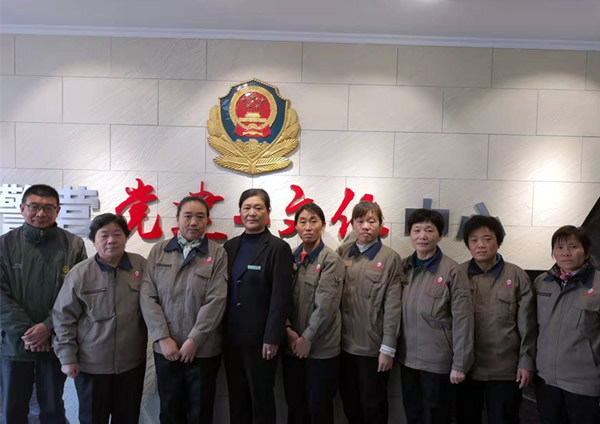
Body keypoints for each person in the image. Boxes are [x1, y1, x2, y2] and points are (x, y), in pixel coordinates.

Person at [0, 184, 87, 424]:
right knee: (11, 410)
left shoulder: (73, 245)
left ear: (58, 210)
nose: (41, 213)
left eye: (48, 208)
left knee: (52, 409)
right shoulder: (4, 245)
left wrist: (47, 327)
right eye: (34, 207)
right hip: (14, 344)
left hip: (55, 343)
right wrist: (30, 333)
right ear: (22, 208)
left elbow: (77, 294)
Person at [52, 213, 147, 424]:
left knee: (128, 419)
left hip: (131, 365)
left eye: (117, 234)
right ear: (94, 240)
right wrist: (67, 357)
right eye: (104, 235)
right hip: (91, 366)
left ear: (126, 237)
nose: (111, 240)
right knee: (93, 419)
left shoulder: (141, 266)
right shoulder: (80, 273)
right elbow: (63, 317)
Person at [140, 196, 228, 423]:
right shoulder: (159, 251)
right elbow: (148, 296)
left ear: (207, 220)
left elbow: (217, 299)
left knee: (201, 412)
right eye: (187, 216)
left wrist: (194, 340)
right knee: (170, 410)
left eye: (200, 217)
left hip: (204, 350)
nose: (193, 222)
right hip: (166, 349)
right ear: (178, 219)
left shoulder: (217, 254)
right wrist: (162, 337)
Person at [455, 215, 536, 424]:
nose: (480, 245)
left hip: (505, 370)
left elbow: (528, 325)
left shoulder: (516, 275)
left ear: (498, 242)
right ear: (468, 244)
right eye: (474, 240)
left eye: (487, 239)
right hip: (466, 368)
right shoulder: (457, 274)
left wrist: (526, 362)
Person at [223, 188, 294, 424]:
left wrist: (272, 337)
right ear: (240, 212)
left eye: (258, 208)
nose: (251, 213)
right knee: (237, 399)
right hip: (232, 338)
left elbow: (280, 297)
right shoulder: (230, 246)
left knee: (261, 400)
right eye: (247, 208)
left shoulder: (278, 248)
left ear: (268, 212)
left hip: (262, 341)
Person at [398, 209, 473, 424]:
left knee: (436, 416)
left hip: (437, 363)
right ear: (411, 234)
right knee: (413, 414)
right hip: (407, 359)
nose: (422, 236)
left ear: (439, 235)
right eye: (417, 230)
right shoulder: (403, 267)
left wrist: (460, 364)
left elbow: (463, 321)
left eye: (429, 230)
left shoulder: (452, 271)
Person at [336, 200, 403, 424]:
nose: (365, 226)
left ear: (380, 225)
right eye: (360, 221)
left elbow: (393, 307)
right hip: (343, 346)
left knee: (374, 405)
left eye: (371, 221)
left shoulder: (390, 258)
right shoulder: (343, 252)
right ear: (352, 225)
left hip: (373, 349)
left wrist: (388, 348)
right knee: (350, 402)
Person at [283, 203, 344, 424]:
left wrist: (307, 338)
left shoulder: (331, 260)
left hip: (321, 350)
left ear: (323, 226)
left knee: (319, 408)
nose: (308, 227)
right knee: (295, 407)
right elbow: (279, 299)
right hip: (292, 347)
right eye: (302, 222)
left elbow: (326, 306)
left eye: (313, 221)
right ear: (296, 227)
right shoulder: (289, 257)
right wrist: (288, 331)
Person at [534, 225, 600, 423]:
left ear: (587, 251)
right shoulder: (541, 282)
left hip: (584, 384)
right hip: (545, 380)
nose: (565, 253)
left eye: (573, 247)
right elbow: (531, 329)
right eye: (559, 247)